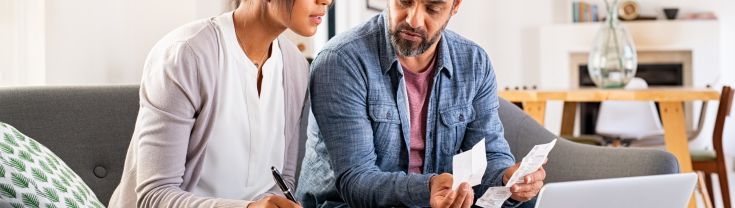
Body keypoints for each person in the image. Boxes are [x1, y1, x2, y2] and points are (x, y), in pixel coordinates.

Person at [296, 0, 546, 207]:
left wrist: (507, 180)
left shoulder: (474, 62)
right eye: (404, 2)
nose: (413, 20)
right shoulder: (341, 61)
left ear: (455, 6)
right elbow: (356, 181)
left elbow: (489, 153)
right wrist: (428, 188)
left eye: (432, 8)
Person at [108, 0, 331, 207]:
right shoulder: (186, 55)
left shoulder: (296, 68)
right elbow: (154, 196)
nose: (327, 1)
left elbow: (284, 180)